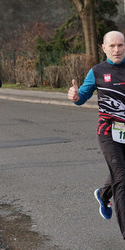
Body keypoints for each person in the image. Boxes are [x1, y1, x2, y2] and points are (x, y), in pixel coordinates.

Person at [68, 31, 125, 239]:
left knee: (121, 173)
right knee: (122, 180)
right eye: (112, 46)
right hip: (108, 132)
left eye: (120, 45)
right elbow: (81, 96)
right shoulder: (97, 71)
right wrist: (75, 96)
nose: (116, 50)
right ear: (104, 48)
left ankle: (103, 195)